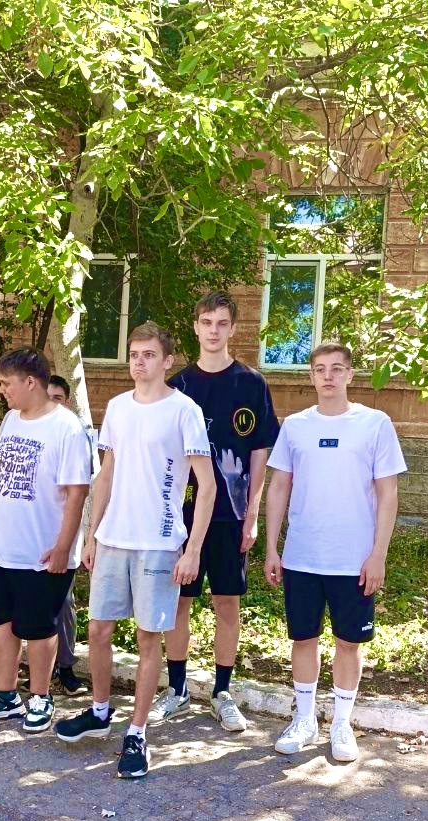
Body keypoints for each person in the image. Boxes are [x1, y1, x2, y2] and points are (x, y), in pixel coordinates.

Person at [54, 323, 214, 780]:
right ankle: (100, 711)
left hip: (159, 543)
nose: (139, 362)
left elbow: (207, 485)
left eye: (149, 354)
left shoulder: (185, 410)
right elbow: (105, 474)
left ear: (167, 361)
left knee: (148, 639)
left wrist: (192, 549)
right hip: (114, 539)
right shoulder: (118, 407)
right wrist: (92, 535)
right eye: (134, 354)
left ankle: (137, 733)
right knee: (98, 629)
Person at [264, 343, 406, 763]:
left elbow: (388, 492)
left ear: (350, 375)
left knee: (348, 643)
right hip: (302, 556)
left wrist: (378, 554)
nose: (328, 376)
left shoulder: (374, 424)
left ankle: (342, 724)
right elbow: (279, 486)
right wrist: (271, 547)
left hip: (353, 560)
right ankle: (304, 718)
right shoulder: (295, 426)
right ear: (311, 376)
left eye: (337, 369)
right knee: (303, 638)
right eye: (321, 369)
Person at [156, 292, 279, 733]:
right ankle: (176, 689)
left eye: (221, 323)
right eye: (206, 322)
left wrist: (253, 514)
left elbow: (260, 452)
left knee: (227, 601)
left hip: (230, 515)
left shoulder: (251, 384)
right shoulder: (177, 386)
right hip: (183, 515)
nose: (213, 330)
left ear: (233, 328)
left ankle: (222, 692)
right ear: (195, 327)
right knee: (178, 601)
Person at [0, 349, 91, 733]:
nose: (1, 390)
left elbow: (77, 493)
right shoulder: (10, 419)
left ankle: (40, 697)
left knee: (39, 627)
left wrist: (64, 547)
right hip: (1, 547)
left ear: (30, 382)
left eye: (6, 383)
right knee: (2, 622)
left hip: (43, 551)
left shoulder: (66, 427)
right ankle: (5, 695)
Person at [44, 374, 90, 697]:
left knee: (63, 604)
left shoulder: (77, 434)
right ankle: (39, 674)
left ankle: (65, 668)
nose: (51, 404)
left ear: (68, 401)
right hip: (33, 537)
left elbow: (87, 490)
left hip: (66, 536)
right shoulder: (27, 428)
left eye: (57, 398)